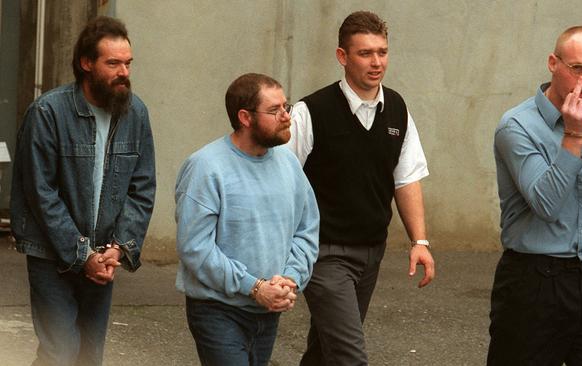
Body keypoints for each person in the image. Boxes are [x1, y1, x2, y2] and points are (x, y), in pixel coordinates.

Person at [287, 11, 435, 365]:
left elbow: (407, 177)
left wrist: (420, 242)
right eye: (365, 53)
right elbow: (281, 180)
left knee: (326, 350)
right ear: (342, 57)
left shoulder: (397, 108)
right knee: (350, 355)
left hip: (371, 251)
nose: (376, 62)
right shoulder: (311, 112)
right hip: (323, 253)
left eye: (382, 52)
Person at [10, 16, 156, 366]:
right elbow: (40, 193)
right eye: (113, 63)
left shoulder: (135, 113)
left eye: (128, 63)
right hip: (51, 254)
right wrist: (82, 256)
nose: (124, 72)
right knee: (59, 352)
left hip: (105, 254)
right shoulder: (48, 112)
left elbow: (142, 188)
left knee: (90, 355)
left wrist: (117, 249)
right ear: (86, 63)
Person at [489, 26, 582, 365]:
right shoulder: (516, 126)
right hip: (531, 283)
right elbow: (546, 204)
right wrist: (573, 137)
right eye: (577, 69)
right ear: (553, 63)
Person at [175, 73, 320, 366]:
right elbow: (195, 248)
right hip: (218, 310)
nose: (286, 117)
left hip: (268, 311)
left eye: (286, 107)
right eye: (274, 110)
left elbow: (307, 230)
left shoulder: (289, 164)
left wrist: (290, 278)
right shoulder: (206, 168)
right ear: (245, 117)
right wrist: (254, 287)